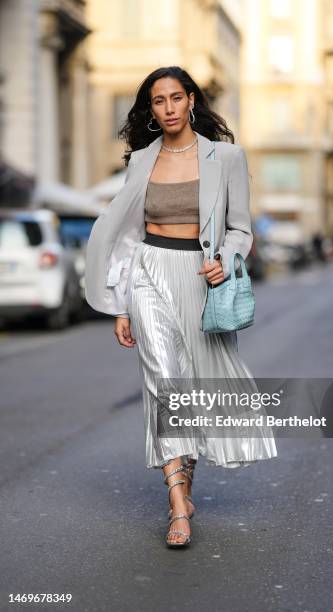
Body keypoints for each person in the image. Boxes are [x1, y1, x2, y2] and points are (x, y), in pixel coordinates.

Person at [84, 66, 277, 548]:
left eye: (175, 98)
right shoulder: (141, 161)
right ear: (150, 110)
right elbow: (128, 238)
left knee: (192, 384)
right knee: (165, 381)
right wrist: (122, 305)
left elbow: (240, 228)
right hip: (149, 272)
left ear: (191, 100)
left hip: (199, 279)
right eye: (158, 101)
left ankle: (185, 485)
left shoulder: (226, 157)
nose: (167, 108)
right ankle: (177, 506)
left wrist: (226, 260)